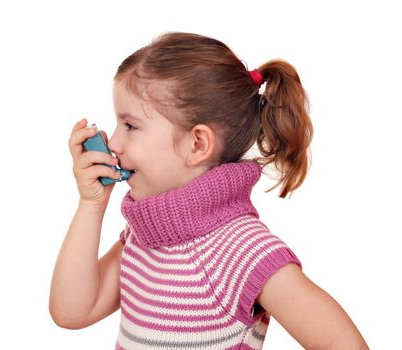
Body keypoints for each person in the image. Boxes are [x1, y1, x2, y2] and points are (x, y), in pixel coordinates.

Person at [49, 32, 369, 349]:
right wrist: (91, 205)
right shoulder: (142, 236)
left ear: (197, 144)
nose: (114, 143)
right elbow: (72, 312)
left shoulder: (243, 250)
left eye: (130, 126)